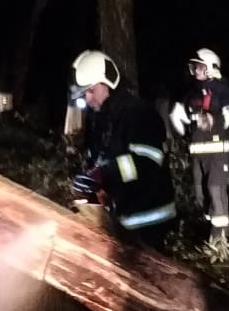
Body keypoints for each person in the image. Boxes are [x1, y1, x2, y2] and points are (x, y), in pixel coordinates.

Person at [69, 50, 177, 249]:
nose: (88, 98)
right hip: (124, 218)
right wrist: (92, 183)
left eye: (91, 90)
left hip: (149, 219)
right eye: (85, 94)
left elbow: (146, 163)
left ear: (107, 83)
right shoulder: (102, 120)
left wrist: (104, 174)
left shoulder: (139, 114)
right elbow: (103, 161)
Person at [171, 48, 229, 242]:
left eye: (200, 66)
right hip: (197, 152)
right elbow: (181, 114)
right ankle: (211, 231)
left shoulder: (222, 90)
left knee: (215, 188)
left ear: (211, 67)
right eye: (194, 66)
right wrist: (178, 119)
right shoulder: (192, 92)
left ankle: (221, 240)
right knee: (202, 196)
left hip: (217, 151)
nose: (196, 70)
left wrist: (214, 120)